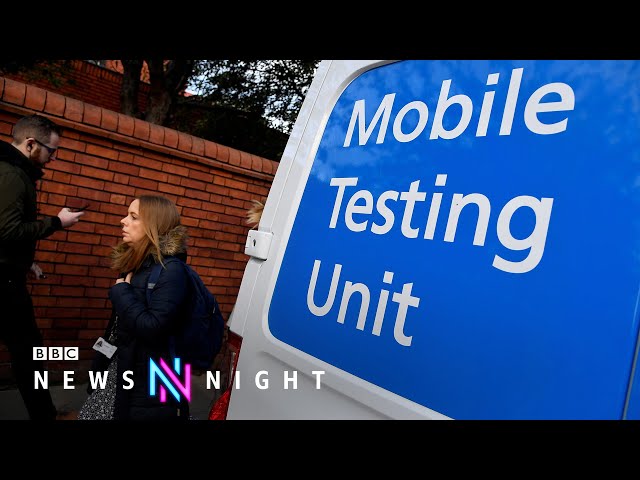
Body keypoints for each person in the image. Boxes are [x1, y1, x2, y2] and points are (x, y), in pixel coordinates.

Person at [0, 114, 85, 420]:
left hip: (9, 272)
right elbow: (7, 231)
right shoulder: (12, 175)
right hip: (4, 281)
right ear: (30, 144)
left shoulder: (12, 170)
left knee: (27, 351)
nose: (53, 157)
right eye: (51, 150)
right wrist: (57, 222)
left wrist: (26, 261)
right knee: (29, 351)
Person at [78, 194, 192, 421]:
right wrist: (99, 364)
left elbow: (153, 327)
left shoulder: (172, 271)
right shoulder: (136, 264)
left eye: (133, 217)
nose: (123, 221)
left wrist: (122, 293)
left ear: (154, 225)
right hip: (119, 369)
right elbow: (117, 327)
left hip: (150, 382)